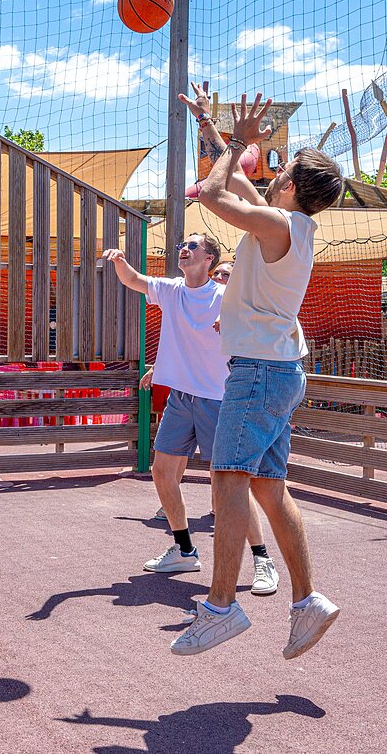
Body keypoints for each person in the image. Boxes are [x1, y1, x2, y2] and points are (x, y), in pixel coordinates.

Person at [170, 89, 343, 659]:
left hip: (260, 372)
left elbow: (215, 191)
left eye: (280, 168)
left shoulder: (278, 226)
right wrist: (214, 130)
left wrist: (243, 144)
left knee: (227, 479)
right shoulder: (289, 226)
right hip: (278, 368)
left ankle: (220, 607)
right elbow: (239, 185)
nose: (269, 170)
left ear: (291, 186)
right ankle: (308, 601)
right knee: (268, 486)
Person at [106, 234, 278, 598]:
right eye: (183, 244)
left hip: (219, 401)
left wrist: (230, 324)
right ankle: (184, 550)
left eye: (193, 246)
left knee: (231, 485)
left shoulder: (226, 296)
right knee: (162, 473)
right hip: (181, 400)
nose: (184, 248)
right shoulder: (171, 290)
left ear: (209, 259)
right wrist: (120, 260)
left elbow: (259, 323)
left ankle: (263, 560)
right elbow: (135, 280)